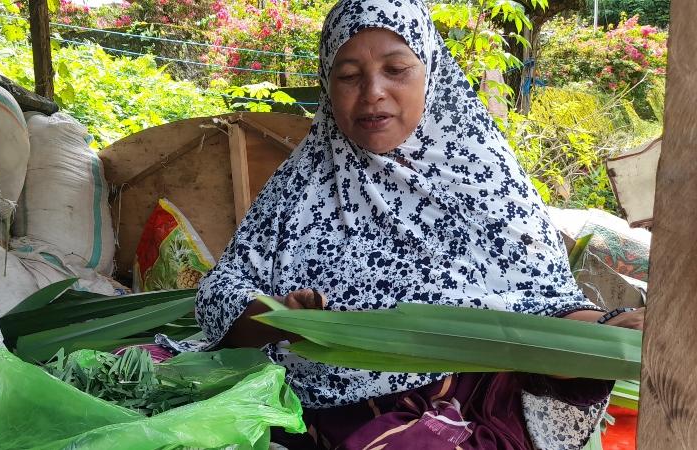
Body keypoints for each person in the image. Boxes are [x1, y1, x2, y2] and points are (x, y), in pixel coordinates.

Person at [160, 0, 644, 448]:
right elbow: (221, 290)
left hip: (454, 408)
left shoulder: (484, 178)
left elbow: (542, 308)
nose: (373, 93)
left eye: (396, 70)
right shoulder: (304, 183)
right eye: (349, 75)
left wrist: (612, 327)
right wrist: (277, 315)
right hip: (301, 404)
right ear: (329, 88)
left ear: (429, 72)